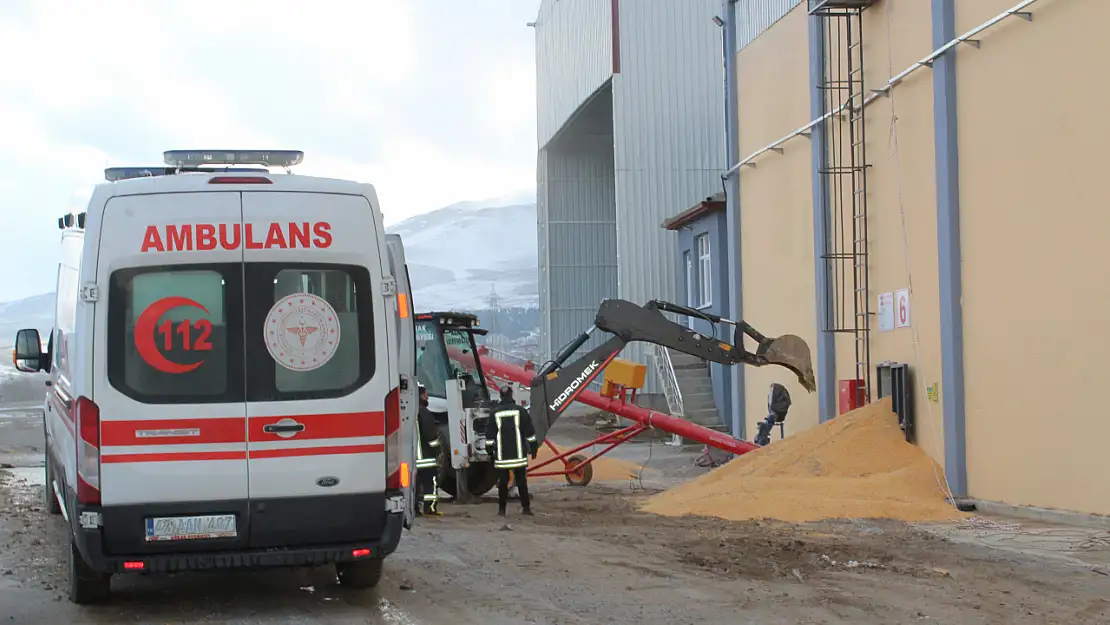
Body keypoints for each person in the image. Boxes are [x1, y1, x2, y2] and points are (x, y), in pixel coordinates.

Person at [484, 385, 538, 516]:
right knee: (521, 481)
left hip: (502, 457)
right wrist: (534, 447)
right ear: (511, 395)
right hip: (518, 455)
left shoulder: (494, 413)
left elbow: (489, 436)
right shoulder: (520, 411)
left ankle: (501, 510)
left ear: (501, 396)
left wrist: (490, 452)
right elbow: (530, 432)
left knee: (503, 482)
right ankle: (526, 509)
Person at [415, 384, 442, 516]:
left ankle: (415, 510)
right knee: (430, 483)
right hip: (426, 458)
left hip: (412, 458)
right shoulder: (425, 413)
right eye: (426, 394)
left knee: (414, 484)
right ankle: (430, 508)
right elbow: (431, 436)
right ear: (420, 395)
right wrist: (438, 451)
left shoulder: (408, 412)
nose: (428, 396)